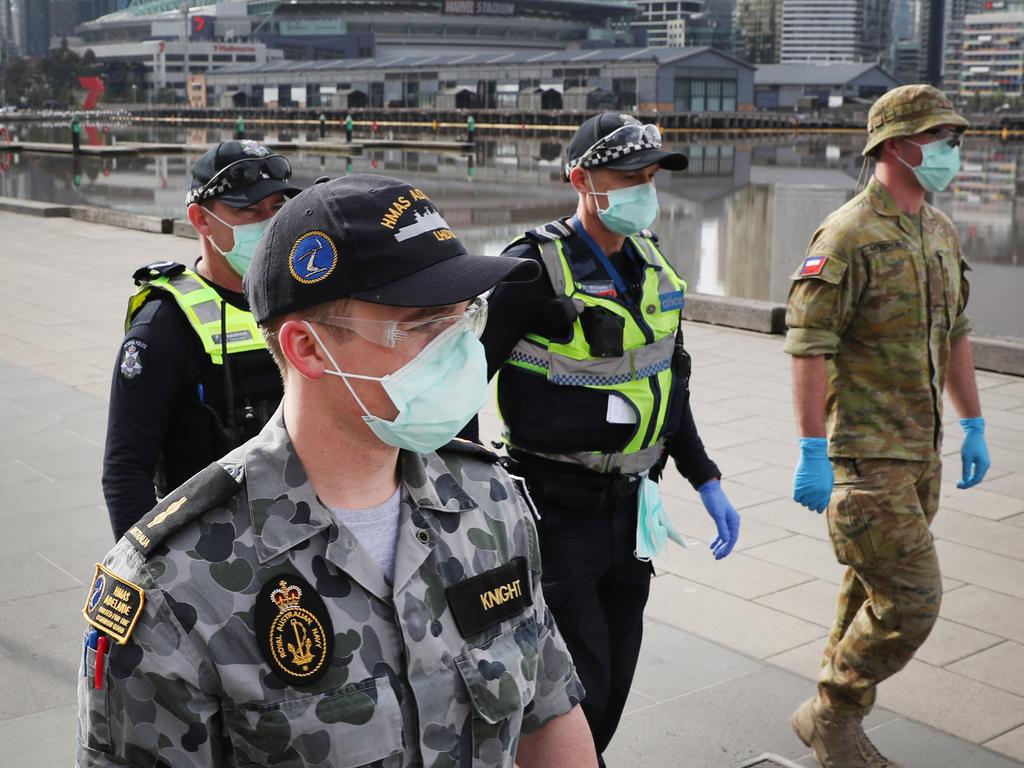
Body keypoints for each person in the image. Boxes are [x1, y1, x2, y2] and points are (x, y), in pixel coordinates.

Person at [77, 173, 597, 768]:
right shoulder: (173, 586)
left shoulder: (490, 499)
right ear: (307, 348)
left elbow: (548, 710)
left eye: (465, 315)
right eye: (424, 323)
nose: (460, 347)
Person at [462, 112, 741, 764]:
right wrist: (471, 497)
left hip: (632, 512)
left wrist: (706, 478)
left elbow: (668, 381)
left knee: (614, 679)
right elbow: (462, 386)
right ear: (581, 179)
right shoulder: (532, 267)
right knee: (576, 684)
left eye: (650, 177)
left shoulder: (651, 262)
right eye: (629, 177)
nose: (645, 190)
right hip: (557, 514)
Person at [786, 85, 991, 768]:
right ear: (897, 145)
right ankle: (832, 712)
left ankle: (831, 724)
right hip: (864, 457)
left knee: (867, 592)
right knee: (913, 601)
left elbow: (956, 332)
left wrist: (975, 422)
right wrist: (813, 449)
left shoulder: (937, 228)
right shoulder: (846, 234)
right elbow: (808, 345)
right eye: (939, 139)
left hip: (918, 451)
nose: (950, 151)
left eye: (953, 139)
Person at [101, 140, 300, 540]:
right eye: (248, 210)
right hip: (210, 547)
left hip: (299, 527)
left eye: (277, 207)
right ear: (201, 219)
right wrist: (145, 576)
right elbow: (126, 469)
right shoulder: (163, 325)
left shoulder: (302, 296)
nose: (268, 222)